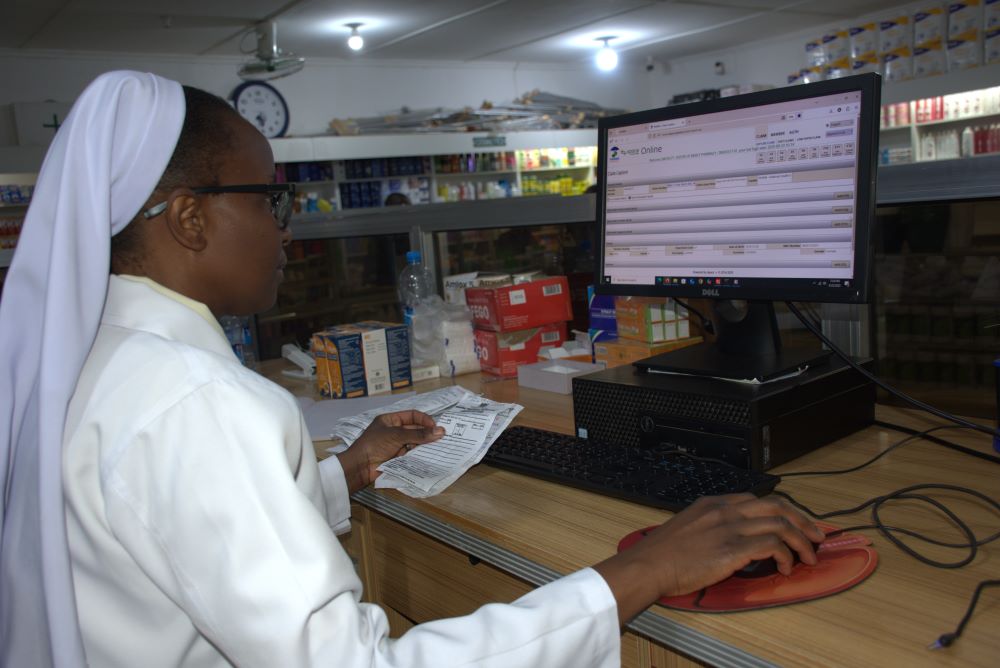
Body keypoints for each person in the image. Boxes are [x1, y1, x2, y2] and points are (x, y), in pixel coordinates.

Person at [0, 71, 824, 667]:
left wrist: (342, 474)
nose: (287, 230)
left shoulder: (99, 361)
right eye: (269, 199)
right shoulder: (198, 401)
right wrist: (635, 572)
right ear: (187, 218)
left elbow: (174, 530)